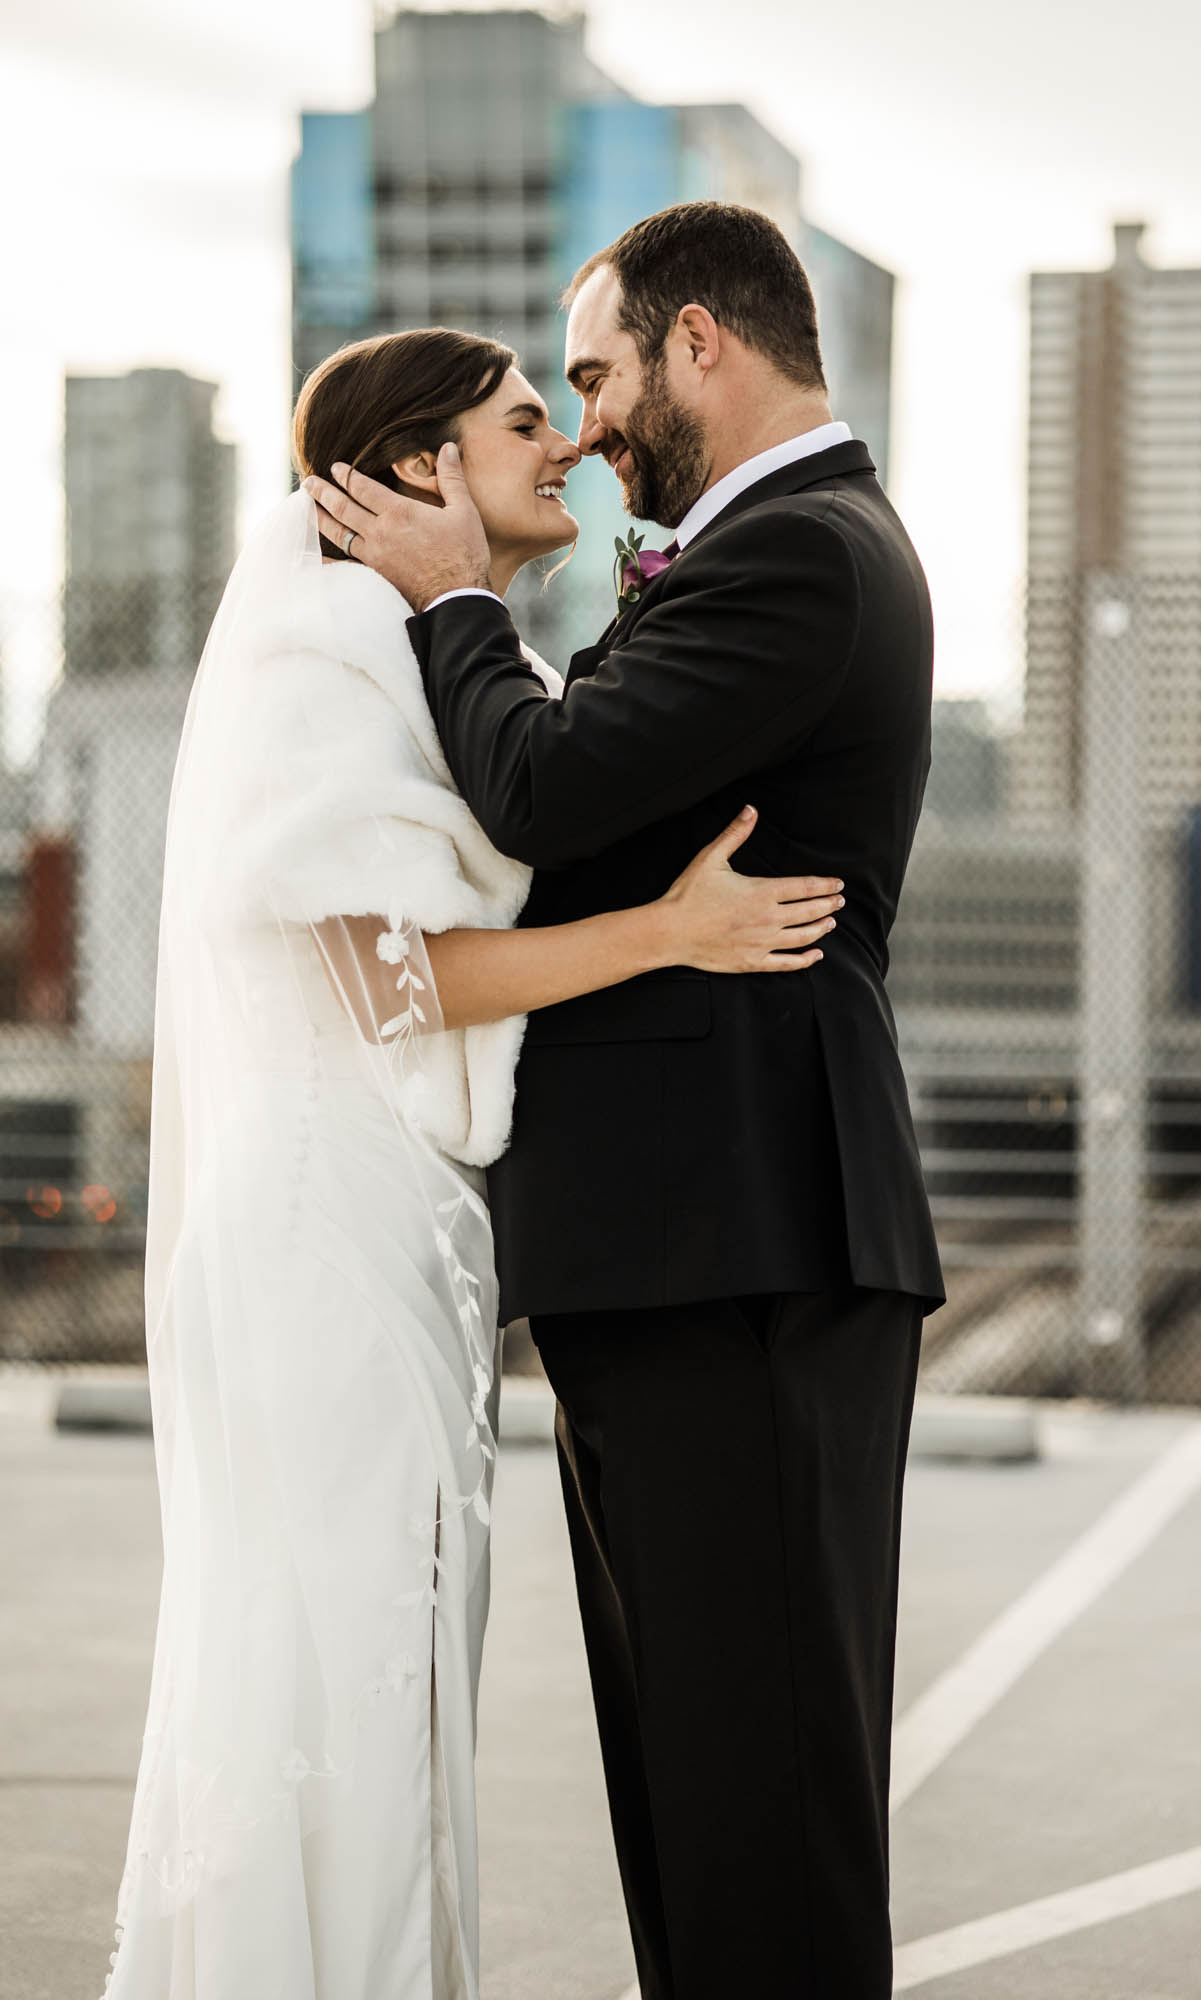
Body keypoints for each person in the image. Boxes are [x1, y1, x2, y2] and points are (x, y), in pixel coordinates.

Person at [103, 325, 844, 2000]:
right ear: (424, 468)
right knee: (339, 1663)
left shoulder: (413, 644)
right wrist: (674, 933)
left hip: (392, 1225)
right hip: (322, 1227)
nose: (568, 444)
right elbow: (392, 982)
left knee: (392, 1655)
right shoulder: (333, 651)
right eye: (528, 418)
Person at [306, 203, 946, 1999]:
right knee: (694, 1785)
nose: (584, 423)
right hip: (685, 1241)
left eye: (592, 374)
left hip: (737, 1235)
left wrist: (447, 598)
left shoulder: (802, 553)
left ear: (694, 345)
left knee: (758, 1800)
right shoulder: (766, 552)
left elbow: (550, 786)